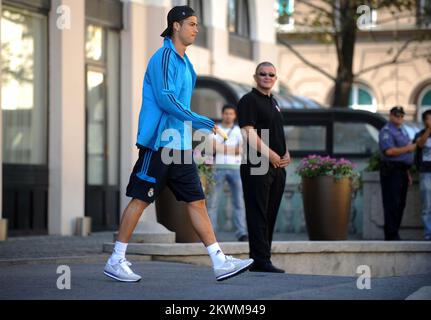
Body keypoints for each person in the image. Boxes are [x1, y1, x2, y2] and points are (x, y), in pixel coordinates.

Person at [104, 5, 253, 282]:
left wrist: (195, 128)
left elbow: (179, 105)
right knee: (141, 199)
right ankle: (117, 259)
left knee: (197, 202)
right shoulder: (163, 58)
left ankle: (219, 261)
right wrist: (204, 123)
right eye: (192, 24)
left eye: (197, 24)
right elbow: (166, 100)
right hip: (160, 143)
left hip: (181, 146)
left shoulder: (187, 64)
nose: (197, 29)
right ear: (176, 25)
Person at [237, 62, 290, 273]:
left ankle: (263, 257)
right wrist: (272, 156)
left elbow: (277, 131)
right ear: (255, 76)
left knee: (270, 212)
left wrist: (286, 153)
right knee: (258, 212)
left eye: (271, 74)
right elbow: (248, 133)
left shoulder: (274, 102)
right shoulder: (248, 100)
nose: (267, 77)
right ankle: (260, 260)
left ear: (275, 78)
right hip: (257, 164)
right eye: (263, 74)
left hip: (277, 165)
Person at [207, 104, 248, 242]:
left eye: (231, 113)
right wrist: (231, 149)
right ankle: (211, 233)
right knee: (213, 201)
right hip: (218, 168)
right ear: (222, 114)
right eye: (226, 113)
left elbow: (240, 150)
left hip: (235, 168)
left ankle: (241, 232)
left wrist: (221, 148)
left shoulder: (238, 131)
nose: (228, 116)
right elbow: (212, 146)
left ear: (234, 115)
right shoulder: (215, 129)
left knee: (239, 202)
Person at [378, 106, 416, 241]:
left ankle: (394, 232)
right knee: (392, 203)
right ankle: (391, 234)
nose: (399, 118)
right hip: (391, 171)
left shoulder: (402, 131)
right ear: (390, 115)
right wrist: (407, 148)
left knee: (400, 203)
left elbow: (405, 156)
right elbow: (389, 151)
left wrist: (408, 172)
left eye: (401, 115)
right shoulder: (387, 131)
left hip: (402, 171)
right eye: (396, 115)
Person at [413, 109, 431, 241]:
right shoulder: (420, 134)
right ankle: (428, 233)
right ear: (425, 121)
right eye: (429, 119)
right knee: (427, 205)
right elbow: (420, 144)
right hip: (426, 173)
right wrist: (429, 130)